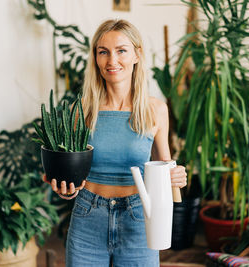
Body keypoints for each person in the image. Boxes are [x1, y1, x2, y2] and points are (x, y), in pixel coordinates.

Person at [43, 19, 187, 267]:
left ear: (136, 55)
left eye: (121, 50)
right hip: (88, 216)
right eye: (103, 52)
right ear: (95, 58)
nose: (112, 61)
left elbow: (166, 168)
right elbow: (70, 172)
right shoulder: (82, 112)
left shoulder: (155, 110)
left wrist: (177, 177)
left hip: (139, 219)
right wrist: (64, 189)